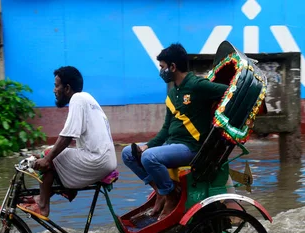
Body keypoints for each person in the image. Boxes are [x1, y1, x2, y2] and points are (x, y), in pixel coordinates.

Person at [122, 43, 229, 220]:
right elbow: (165, 130)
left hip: (192, 148)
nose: (161, 71)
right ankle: (161, 191)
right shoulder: (172, 94)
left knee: (150, 157)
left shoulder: (197, 85)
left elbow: (229, 92)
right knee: (128, 153)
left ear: (173, 67)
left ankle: (170, 196)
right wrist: (147, 145)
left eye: (162, 67)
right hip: (171, 144)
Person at [20, 66, 117, 217]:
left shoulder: (77, 99)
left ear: (67, 88)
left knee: (49, 154)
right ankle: (45, 196)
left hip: (96, 160)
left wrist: (47, 158)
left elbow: (67, 136)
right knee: (50, 156)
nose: (54, 90)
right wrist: (46, 158)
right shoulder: (88, 99)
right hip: (104, 159)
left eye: (56, 85)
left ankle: (43, 205)